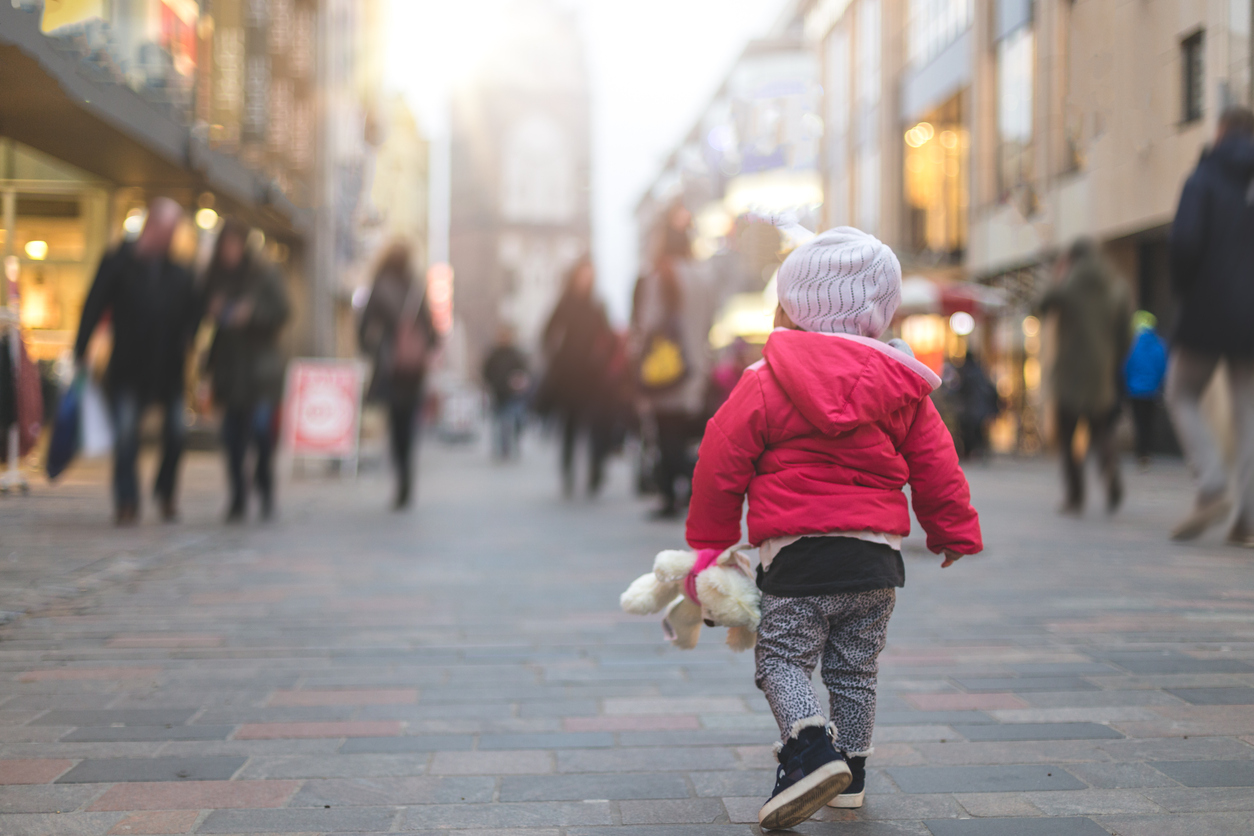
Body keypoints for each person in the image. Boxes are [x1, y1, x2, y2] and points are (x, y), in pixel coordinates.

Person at [685, 227, 982, 828]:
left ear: (793, 304)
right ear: (880, 309)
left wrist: (711, 542)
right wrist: (952, 531)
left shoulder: (765, 381)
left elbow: (721, 458)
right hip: (875, 559)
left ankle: (808, 746)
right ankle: (853, 775)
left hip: (797, 557)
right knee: (854, 668)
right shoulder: (902, 385)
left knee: (782, 661)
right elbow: (935, 462)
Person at [74, 197, 199, 525]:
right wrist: (80, 348)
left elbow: (192, 313)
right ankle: (126, 500)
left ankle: (166, 492)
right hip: (129, 365)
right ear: (152, 226)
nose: (171, 238)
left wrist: (190, 341)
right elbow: (94, 303)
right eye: (168, 230)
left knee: (176, 433)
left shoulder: (178, 272)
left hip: (168, 368)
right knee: (127, 435)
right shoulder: (119, 262)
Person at [1166, 106, 1254, 545]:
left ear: (1220, 131)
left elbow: (1184, 241)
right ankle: (1248, 516)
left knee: (1180, 391)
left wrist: (1185, 290)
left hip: (1209, 305)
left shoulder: (1203, 178)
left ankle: (1213, 482)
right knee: (1248, 410)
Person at [631, 202, 716, 518]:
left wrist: (636, 357)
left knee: (666, 434)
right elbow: (710, 320)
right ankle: (688, 489)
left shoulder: (660, 275)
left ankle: (672, 494)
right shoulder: (704, 277)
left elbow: (649, 323)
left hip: (667, 368)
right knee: (685, 433)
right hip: (697, 367)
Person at [203, 219, 291, 522]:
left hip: (260, 371)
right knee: (232, 438)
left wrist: (252, 315)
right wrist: (213, 310)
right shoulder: (215, 277)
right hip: (229, 370)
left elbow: (282, 311)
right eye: (225, 245)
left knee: (261, 433)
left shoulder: (264, 274)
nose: (230, 251)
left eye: (234, 245)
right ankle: (238, 496)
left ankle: (266, 489)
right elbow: (201, 310)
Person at [1038, 239, 1132, 515]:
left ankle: (1075, 495)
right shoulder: (1116, 285)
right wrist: (1112, 361)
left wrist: (1058, 275)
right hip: (1101, 373)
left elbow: (1042, 306)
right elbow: (1125, 335)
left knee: (1068, 437)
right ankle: (1111, 474)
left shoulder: (1069, 283)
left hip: (1070, 371)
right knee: (1101, 432)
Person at [359, 243, 438, 510]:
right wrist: (422, 348)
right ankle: (407, 475)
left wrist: (373, 349)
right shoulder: (415, 287)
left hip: (389, 365)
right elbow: (431, 330)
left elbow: (364, 325)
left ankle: (401, 476)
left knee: (396, 423)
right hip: (413, 369)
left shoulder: (379, 285)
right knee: (408, 424)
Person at [538, 256, 615, 496]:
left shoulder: (596, 306)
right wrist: (556, 357)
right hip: (569, 376)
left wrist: (601, 359)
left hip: (592, 377)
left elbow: (610, 337)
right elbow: (547, 333)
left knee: (595, 426)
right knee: (570, 426)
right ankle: (568, 474)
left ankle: (595, 473)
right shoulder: (565, 303)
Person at [1124, 310, 1169, 467]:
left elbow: (1126, 366)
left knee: (1138, 421)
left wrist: (1126, 383)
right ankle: (1146, 451)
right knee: (1149, 422)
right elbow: (1163, 367)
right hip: (1152, 391)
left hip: (1135, 390)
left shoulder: (1131, 345)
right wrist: (1160, 384)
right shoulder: (1159, 345)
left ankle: (1140, 452)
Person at [482, 325, 530, 460]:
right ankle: (503, 449)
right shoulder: (494, 354)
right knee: (499, 422)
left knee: (512, 421)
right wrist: (490, 383)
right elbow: (486, 371)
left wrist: (519, 381)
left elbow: (524, 371)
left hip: (513, 394)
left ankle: (511, 445)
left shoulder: (515, 354)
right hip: (498, 393)